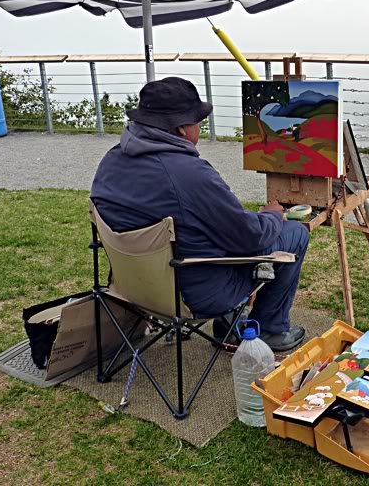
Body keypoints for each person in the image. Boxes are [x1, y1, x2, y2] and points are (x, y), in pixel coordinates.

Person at [90, 77, 308, 351]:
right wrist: (273, 215)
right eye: (198, 121)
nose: (200, 126)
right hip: (195, 294)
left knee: (205, 234)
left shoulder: (111, 161)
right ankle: (270, 329)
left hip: (132, 288)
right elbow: (253, 239)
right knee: (294, 233)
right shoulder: (188, 174)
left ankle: (229, 325)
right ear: (182, 128)